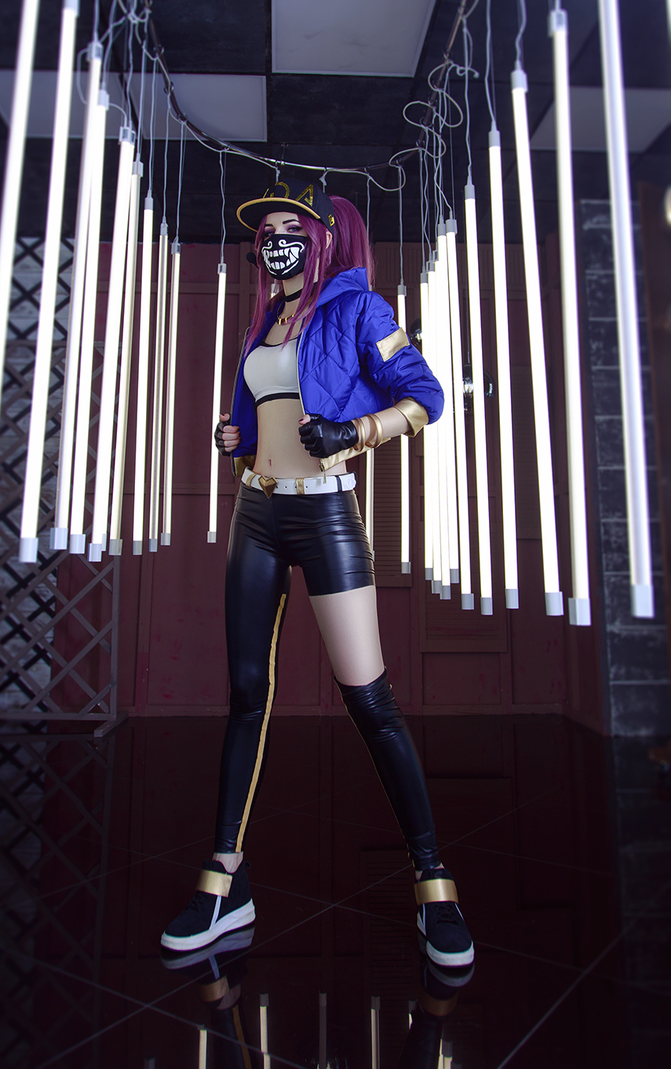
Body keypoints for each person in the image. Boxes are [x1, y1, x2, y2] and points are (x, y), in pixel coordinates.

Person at [160, 178, 474, 970]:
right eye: (264, 230)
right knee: (245, 693)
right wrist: (236, 437)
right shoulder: (265, 319)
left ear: (323, 237)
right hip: (255, 512)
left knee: (369, 699)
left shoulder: (360, 308)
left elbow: (426, 397)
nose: (273, 240)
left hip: (326, 513)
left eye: (287, 227)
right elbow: (264, 411)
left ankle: (434, 879)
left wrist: (354, 431)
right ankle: (225, 878)